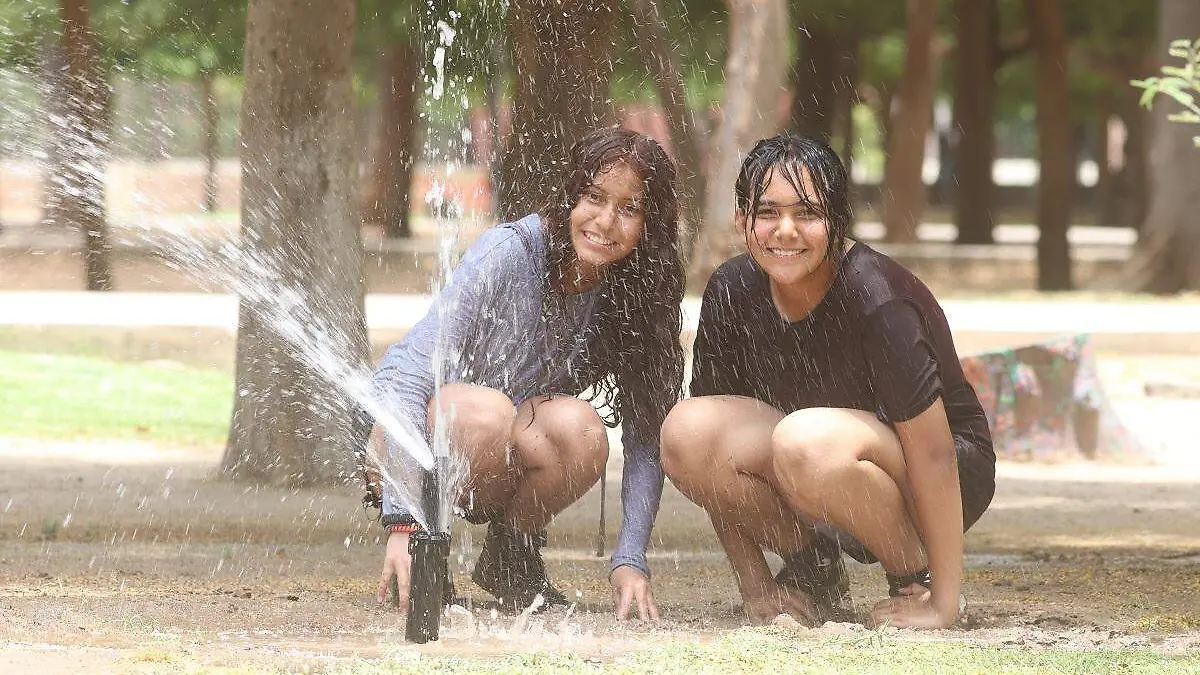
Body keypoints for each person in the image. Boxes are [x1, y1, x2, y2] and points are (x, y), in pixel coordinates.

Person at [660, 134, 995, 629]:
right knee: (687, 431)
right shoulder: (731, 289)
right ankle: (812, 567)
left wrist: (945, 602)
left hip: (942, 469)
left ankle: (914, 577)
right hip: (812, 457)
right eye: (768, 212)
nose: (786, 231)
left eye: (807, 214)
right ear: (741, 222)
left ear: (837, 223)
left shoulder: (878, 297)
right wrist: (756, 585)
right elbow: (711, 456)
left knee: (805, 440)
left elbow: (934, 452)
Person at [363, 127, 684, 620]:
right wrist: (403, 519)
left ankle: (510, 558)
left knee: (580, 428)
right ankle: (429, 552)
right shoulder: (510, 252)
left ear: (650, 224)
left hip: (500, 452)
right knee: (488, 413)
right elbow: (402, 376)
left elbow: (646, 437)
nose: (605, 221)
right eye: (594, 197)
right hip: (411, 442)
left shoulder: (632, 293)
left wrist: (630, 560)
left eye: (629, 208)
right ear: (570, 193)